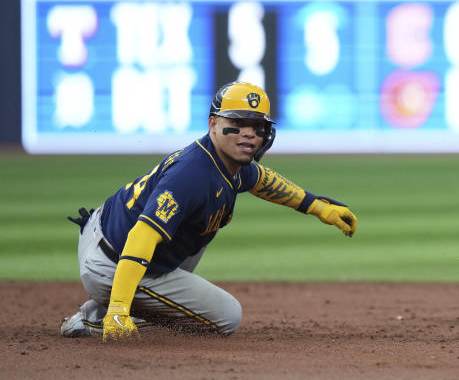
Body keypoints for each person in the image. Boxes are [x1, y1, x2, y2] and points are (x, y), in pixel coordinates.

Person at [59, 81, 358, 340]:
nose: (248, 133)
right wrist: (119, 309)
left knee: (193, 233)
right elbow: (142, 236)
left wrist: (318, 207)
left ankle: (105, 306)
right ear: (213, 124)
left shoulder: (228, 162)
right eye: (237, 123)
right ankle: (98, 319)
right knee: (226, 318)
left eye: (257, 126)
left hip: (105, 233)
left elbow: (264, 180)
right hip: (112, 262)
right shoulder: (193, 175)